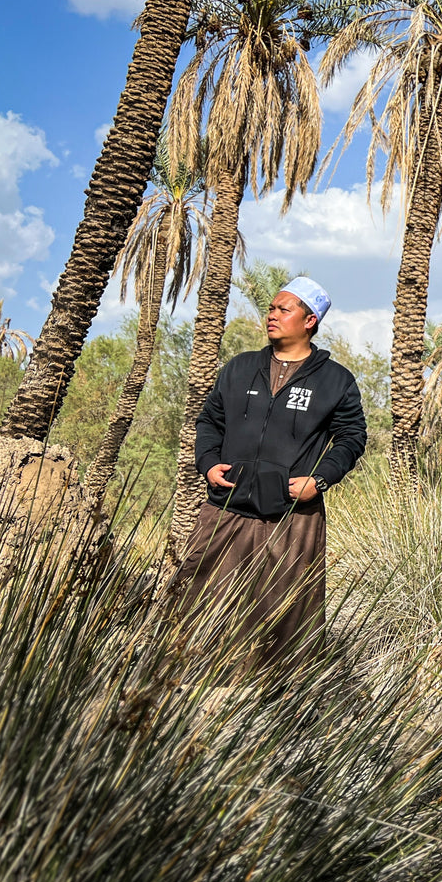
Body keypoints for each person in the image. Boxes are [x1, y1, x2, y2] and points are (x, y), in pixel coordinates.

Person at [173, 276, 367, 667]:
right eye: (271, 308)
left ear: (309, 320)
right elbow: (210, 421)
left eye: (284, 309)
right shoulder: (241, 368)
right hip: (227, 507)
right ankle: (193, 685)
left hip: (293, 516)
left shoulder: (336, 381)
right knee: (202, 599)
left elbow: (351, 438)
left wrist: (321, 479)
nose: (272, 315)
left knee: (287, 612)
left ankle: (279, 699)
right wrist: (208, 462)